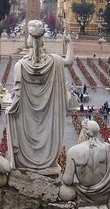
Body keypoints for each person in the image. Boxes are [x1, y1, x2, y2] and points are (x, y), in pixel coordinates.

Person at [6, 20, 74, 172]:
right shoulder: (55, 61)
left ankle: (27, 163)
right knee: (48, 136)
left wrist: (9, 110)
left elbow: (16, 97)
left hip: (26, 116)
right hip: (49, 116)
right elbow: (69, 62)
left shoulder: (20, 66)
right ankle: (47, 161)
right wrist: (70, 43)